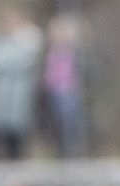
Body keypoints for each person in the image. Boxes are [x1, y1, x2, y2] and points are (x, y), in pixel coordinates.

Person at [0, 7, 44, 161]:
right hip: (0, 93)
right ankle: (1, 158)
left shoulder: (26, 39)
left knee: (19, 130)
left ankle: (18, 157)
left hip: (19, 92)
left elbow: (25, 59)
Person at [43, 14, 88, 159]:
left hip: (70, 90)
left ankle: (73, 151)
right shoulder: (52, 51)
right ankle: (63, 151)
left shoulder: (75, 51)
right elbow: (49, 71)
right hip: (55, 90)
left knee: (71, 122)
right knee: (59, 123)